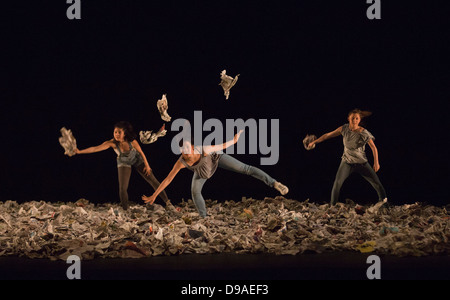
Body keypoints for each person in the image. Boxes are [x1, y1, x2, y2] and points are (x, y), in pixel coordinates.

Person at [142, 130, 289, 218]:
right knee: (194, 191)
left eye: (187, 148)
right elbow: (168, 179)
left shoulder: (204, 149)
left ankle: (275, 183)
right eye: (182, 149)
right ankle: (203, 217)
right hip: (202, 172)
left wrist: (234, 140)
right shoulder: (181, 161)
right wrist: (155, 195)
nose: (185, 152)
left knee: (246, 168)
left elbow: (223, 145)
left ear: (193, 147)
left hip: (216, 159)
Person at [73, 121, 169, 210]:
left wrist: (147, 166)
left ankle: (168, 203)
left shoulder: (132, 141)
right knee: (123, 188)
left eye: (119, 132)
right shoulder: (112, 143)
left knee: (152, 180)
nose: (117, 135)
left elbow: (141, 152)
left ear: (125, 133)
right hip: (123, 162)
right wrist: (79, 151)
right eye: (115, 132)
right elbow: (95, 149)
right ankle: (125, 209)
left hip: (136, 159)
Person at [308, 109, 387, 205]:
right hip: (347, 162)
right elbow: (328, 135)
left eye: (357, 118)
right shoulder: (344, 129)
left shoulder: (363, 132)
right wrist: (314, 142)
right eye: (353, 118)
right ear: (348, 119)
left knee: (377, 183)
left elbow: (374, 148)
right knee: (337, 183)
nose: (355, 120)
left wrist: (376, 162)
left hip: (361, 163)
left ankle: (384, 203)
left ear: (359, 120)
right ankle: (332, 206)